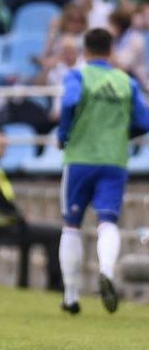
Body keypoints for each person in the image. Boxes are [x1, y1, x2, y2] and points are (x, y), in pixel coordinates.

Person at [57, 27, 149, 314]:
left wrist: (63, 134)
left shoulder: (78, 75)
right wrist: (121, 132)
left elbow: (70, 102)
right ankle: (107, 271)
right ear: (111, 51)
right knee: (107, 221)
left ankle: (71, 296)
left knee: (72, 225)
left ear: (85, 51)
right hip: (114, 160)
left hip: (81, 158)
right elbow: (144, 121)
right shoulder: (126, 81)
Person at [0, 130, 63, 290]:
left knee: (38, 233)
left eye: (5, 146)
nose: (3, 149)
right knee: (55, 234)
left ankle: (24, 283)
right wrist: (20, 217)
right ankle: (56, 286)